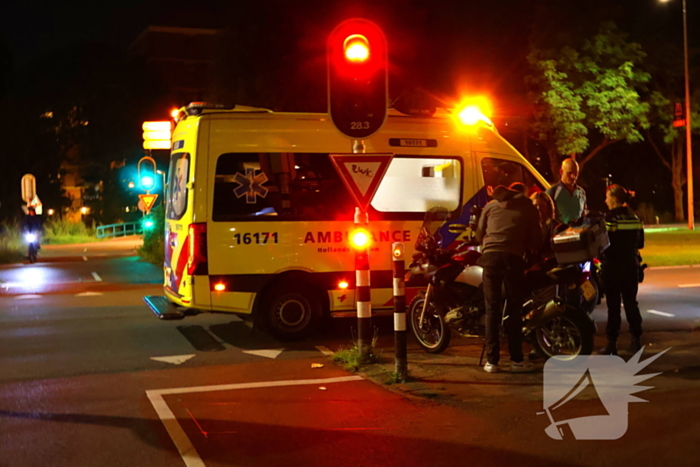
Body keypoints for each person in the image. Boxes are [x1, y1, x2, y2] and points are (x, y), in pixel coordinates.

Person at [464, 184, 542, 373]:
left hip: (490, 259)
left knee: (492, 309)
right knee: (514, 309)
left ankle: (492, 361)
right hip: (512, 259)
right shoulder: (528, 207)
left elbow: (479, 235)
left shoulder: (490, 206)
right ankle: (516, 360)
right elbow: (536, 240)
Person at [599, 184, 645, 355]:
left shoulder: (610, 219)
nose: (605, 200)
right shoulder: (635, 218)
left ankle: (612, 343)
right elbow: (640, 243)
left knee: (613, 305)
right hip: (631, 265)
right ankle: (636, 339)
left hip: (612, 266)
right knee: (631, 303)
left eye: (607, 197)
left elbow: (605, 244)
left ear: (615, 199)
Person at [546, 158, 587, 225]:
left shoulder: (581, 192)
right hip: (560, 234)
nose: (573, 176)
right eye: (569, 173)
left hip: (578, 233)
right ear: (561, 172)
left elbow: (583, 214)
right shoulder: (552, 192)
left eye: (576, 173)